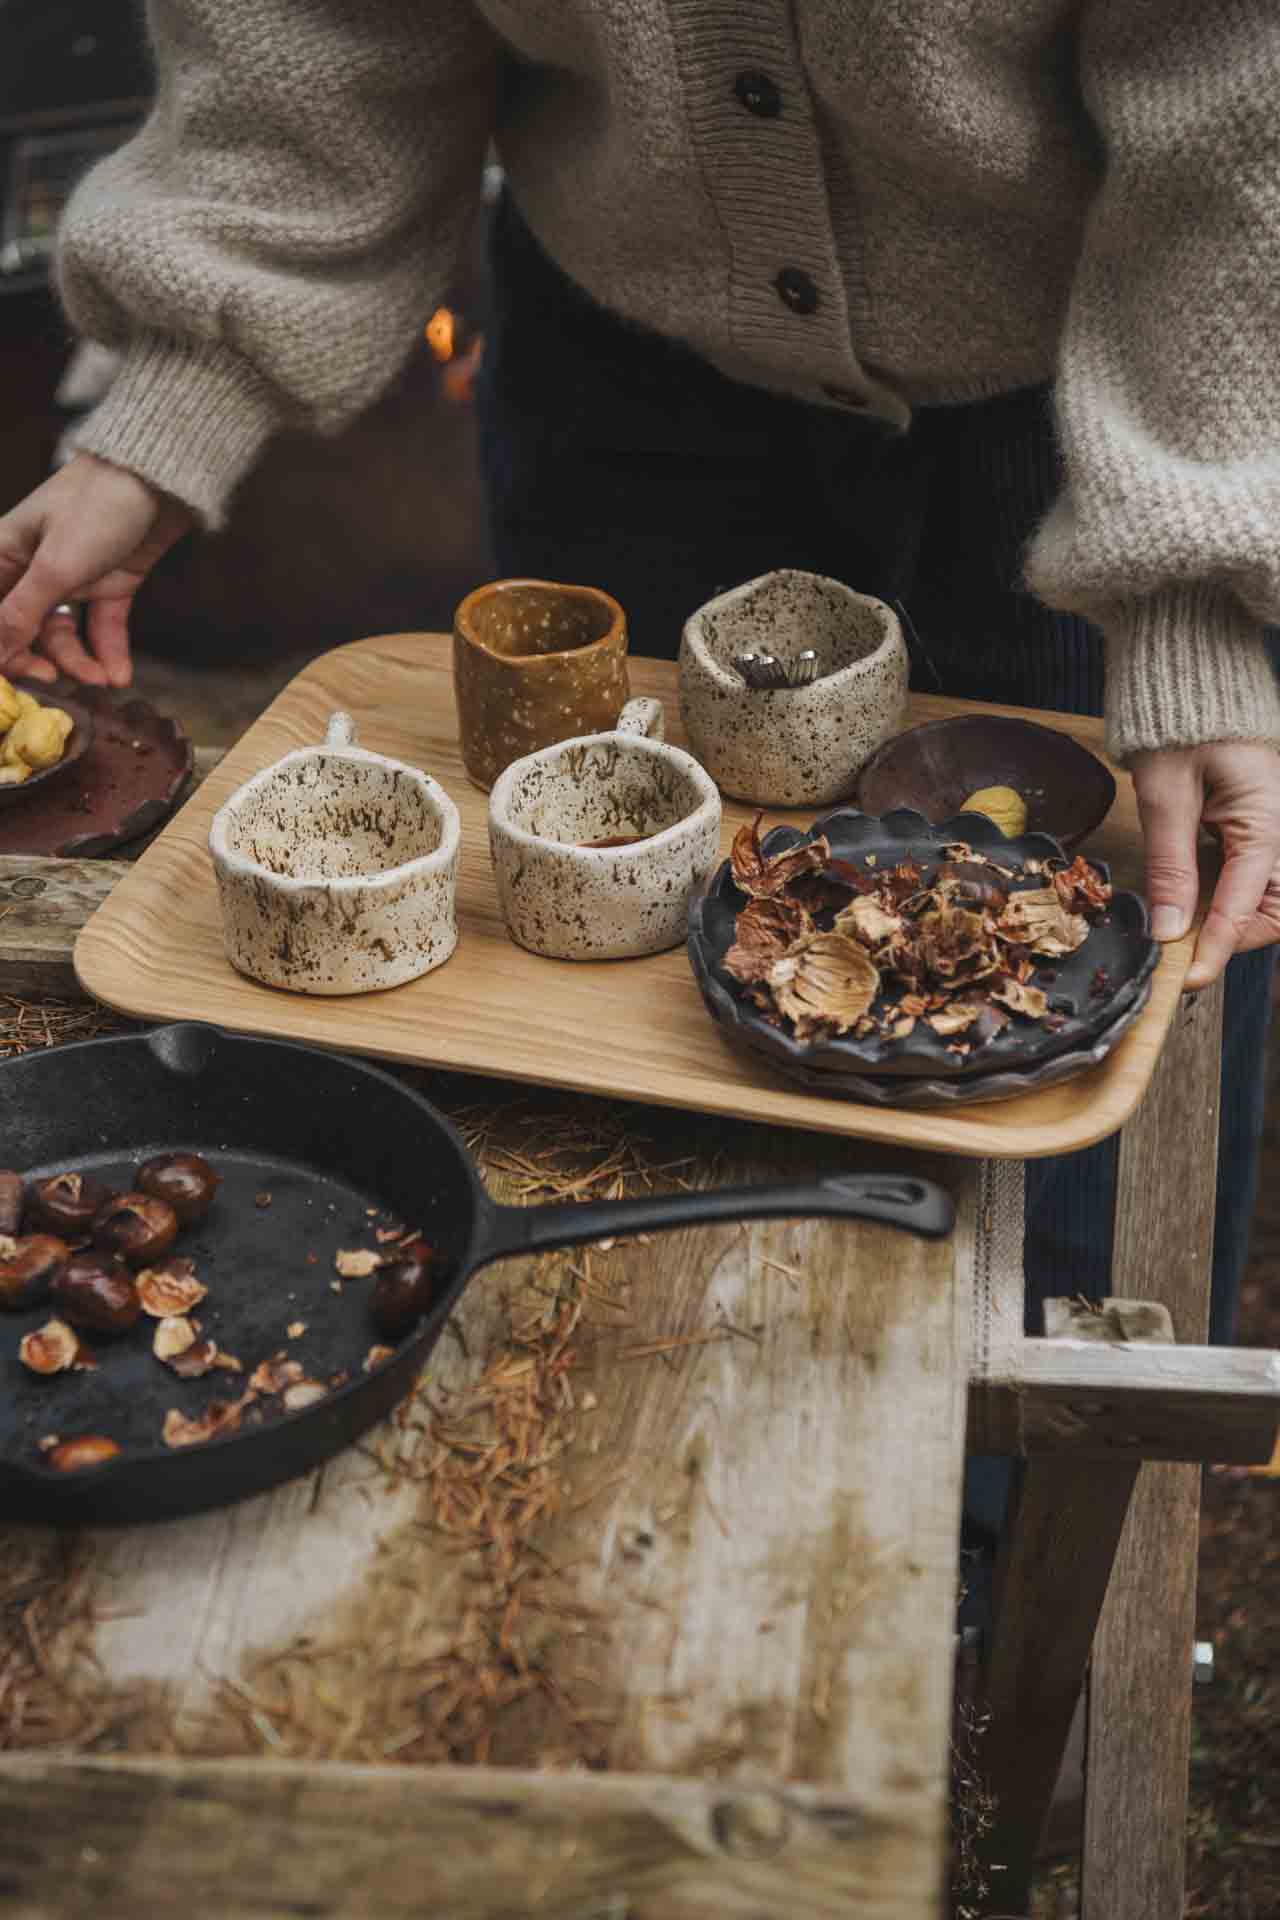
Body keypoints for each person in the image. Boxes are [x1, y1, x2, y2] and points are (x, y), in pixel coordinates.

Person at [1, 1, 1277, 1373]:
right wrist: (168, 408)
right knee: (671, 1074)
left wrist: (1202, 580)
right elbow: (317, 32)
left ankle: (1014, 1478)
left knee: (1086, 993)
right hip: (623, 389)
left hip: (1123, 415)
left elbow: (1239, 105)